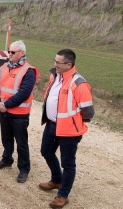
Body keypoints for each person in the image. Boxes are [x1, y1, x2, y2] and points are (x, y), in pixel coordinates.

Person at [39, 49, 94, 209]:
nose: (54, 64)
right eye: (55, 61)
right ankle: (56, 179)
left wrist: (72, 122)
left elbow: (88, 111)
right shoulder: (54, 76)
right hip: (51, 125)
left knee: (68, 164)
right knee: (46, 152)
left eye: (58, 62)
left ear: (69, 64)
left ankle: (63, 194)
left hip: (69, 131)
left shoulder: (79, 83)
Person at [0, 40, 40, 184]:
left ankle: (24, 169)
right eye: (9, 51)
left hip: (19, 114)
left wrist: (5, 104)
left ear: (22, 53)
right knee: (6, 138)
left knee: (21, 143)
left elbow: (24, 93)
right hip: (4, 110)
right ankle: (7, 159)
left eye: (13, 52)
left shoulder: (28, 71)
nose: (10, 54)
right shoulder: (4, 67)